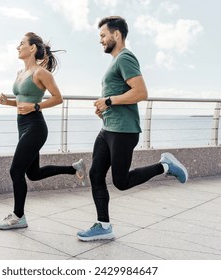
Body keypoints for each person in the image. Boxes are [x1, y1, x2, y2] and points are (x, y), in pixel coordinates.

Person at [77, 16, 188, 241]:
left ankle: (165, 165)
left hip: (124, 131)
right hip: (109, 128)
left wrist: (108, 101)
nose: (100, 40)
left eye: (103, 35)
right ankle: (104, 225)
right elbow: (120, 94)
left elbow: (140, 93)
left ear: (116, 35)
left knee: (121, 181)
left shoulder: (125, 58)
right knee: (95, 174)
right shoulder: (115, 61)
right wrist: (104, 107)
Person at [0, 32, 87, 230]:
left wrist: (36, 107)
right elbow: (22, 103)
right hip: (22, 126)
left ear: (32, 48)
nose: (17, 47)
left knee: (15, 171)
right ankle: (74, 168)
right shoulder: (20, 73)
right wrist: (7, 102)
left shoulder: (42, 73)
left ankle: (19, 216)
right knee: (34, 174)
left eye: (21, 44)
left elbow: (57, 98)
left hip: (36, 127)